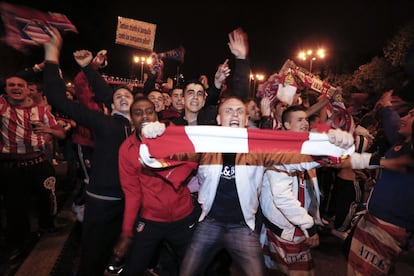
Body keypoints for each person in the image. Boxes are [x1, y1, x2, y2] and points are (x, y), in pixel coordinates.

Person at [141, 96, 355, 275]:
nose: (234, 114)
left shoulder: (258, 148)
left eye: (239, 111)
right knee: (186, 272)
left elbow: (297, 159)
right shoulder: (204, 145)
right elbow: (167, 156)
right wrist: (156, 136)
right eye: (228, 111)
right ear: (218, 118)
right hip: (209, 223)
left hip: (243, 227)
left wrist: (331, 145)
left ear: (245, 119)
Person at [41, 27, 134, 275]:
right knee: (92, 258)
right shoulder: (103, 122)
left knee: (124, 257)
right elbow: (59, 99)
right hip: (103, 204)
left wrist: (89, 69)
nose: (124, 97)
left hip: (133, 206)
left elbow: (107, 94)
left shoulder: (143, 128)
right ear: (111, 104)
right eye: (119, 96)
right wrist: (52, 55)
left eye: (129, 95)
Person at [110, 97, 199, 275]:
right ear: (131, 118)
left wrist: (163, 142)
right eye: (138, 113)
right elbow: (132, 193)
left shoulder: (172, 134)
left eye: (149, 112)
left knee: (191, 269)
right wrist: (127, 233)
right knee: (133, 268)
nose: (145, 116)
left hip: (183, 217)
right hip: (151, 219)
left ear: (156, 115)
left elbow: (193, 162)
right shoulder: (126, 149)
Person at [341, 91, 414, 276]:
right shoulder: (400, 143)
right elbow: (392, 122)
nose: (404, 117)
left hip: (388, 227)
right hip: (371, 220)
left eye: (411, 115)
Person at [0, 74, 66, 261]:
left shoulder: (41, 111)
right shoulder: (2, 106)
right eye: (11, 85)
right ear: (5, 89)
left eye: (20, 85)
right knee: (15, 207)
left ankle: (47, 225)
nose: (16, 88)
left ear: (28, 89)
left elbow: (60, 133)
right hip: (12, 166)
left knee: (47, 198)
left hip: (38, 163)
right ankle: (20, 242)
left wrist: (49, 132)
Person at [260, 105, 322, 275]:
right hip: (286, 228)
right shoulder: (280, 151)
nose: (305, 123)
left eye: (306, 119)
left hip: (298, 223)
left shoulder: (303, 149)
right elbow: (282, 198)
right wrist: (309, 226)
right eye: (299, 120)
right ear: (286, 125)